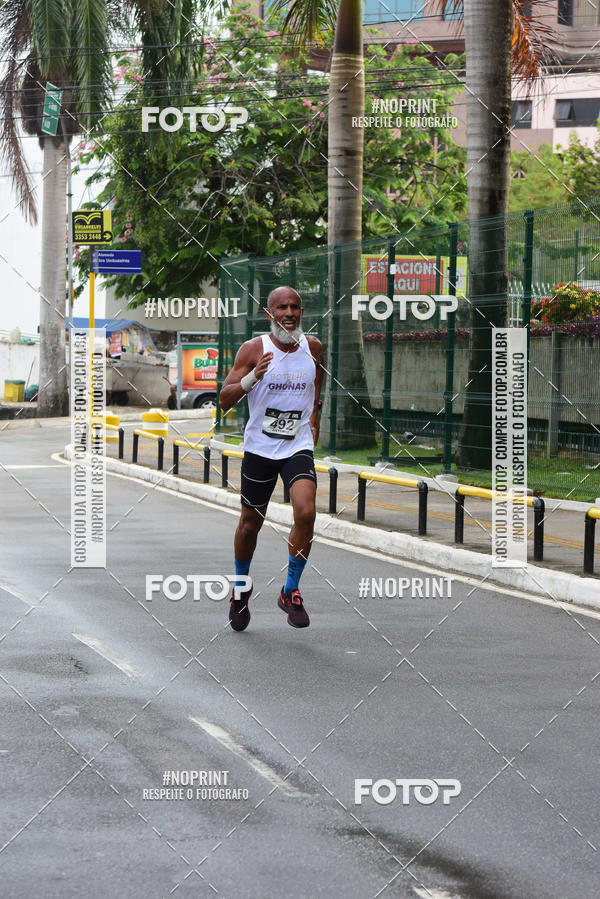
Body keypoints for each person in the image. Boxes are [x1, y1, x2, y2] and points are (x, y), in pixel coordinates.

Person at [219, 286, 324, 631]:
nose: (289, 312)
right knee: (251, 524)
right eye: (282, 307)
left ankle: (290, 591)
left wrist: (315, 416)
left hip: (297, 445)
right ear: (270, 314)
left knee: (306, 512)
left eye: (295, 306)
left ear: (301, 311)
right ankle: (240, 590)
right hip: (261, 449)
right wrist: (253, 377)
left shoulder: (313, 348)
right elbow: (224, 399)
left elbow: (316, 384)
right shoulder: (254, 350)